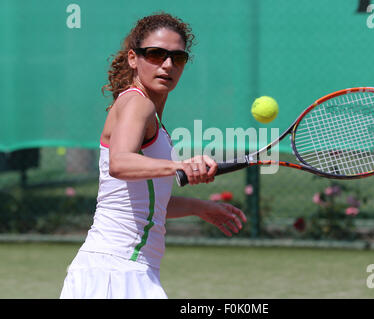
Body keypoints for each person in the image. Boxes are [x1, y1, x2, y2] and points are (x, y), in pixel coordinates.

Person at [60, 12, 247, 299]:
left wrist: (197, 207)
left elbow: (141, 202)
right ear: (134, 58)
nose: (168, 64)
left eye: (178, 57)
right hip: (115, 272)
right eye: (156, 54)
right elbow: (120, 163)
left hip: (118, 270)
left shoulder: (147, 111)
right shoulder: (137, 103)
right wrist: (180, 165)